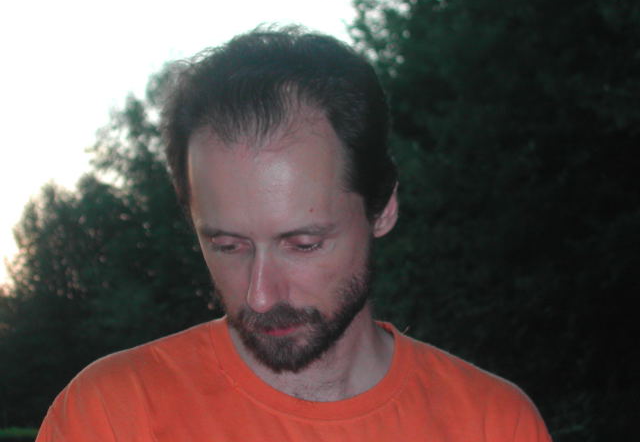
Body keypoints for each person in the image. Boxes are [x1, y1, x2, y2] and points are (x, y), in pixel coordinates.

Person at [36, 27, 551, 441]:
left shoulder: (493, 424)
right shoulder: (111, 415)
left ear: (382, 207)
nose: (260, 296)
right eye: (227, 246)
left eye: (303, 244)